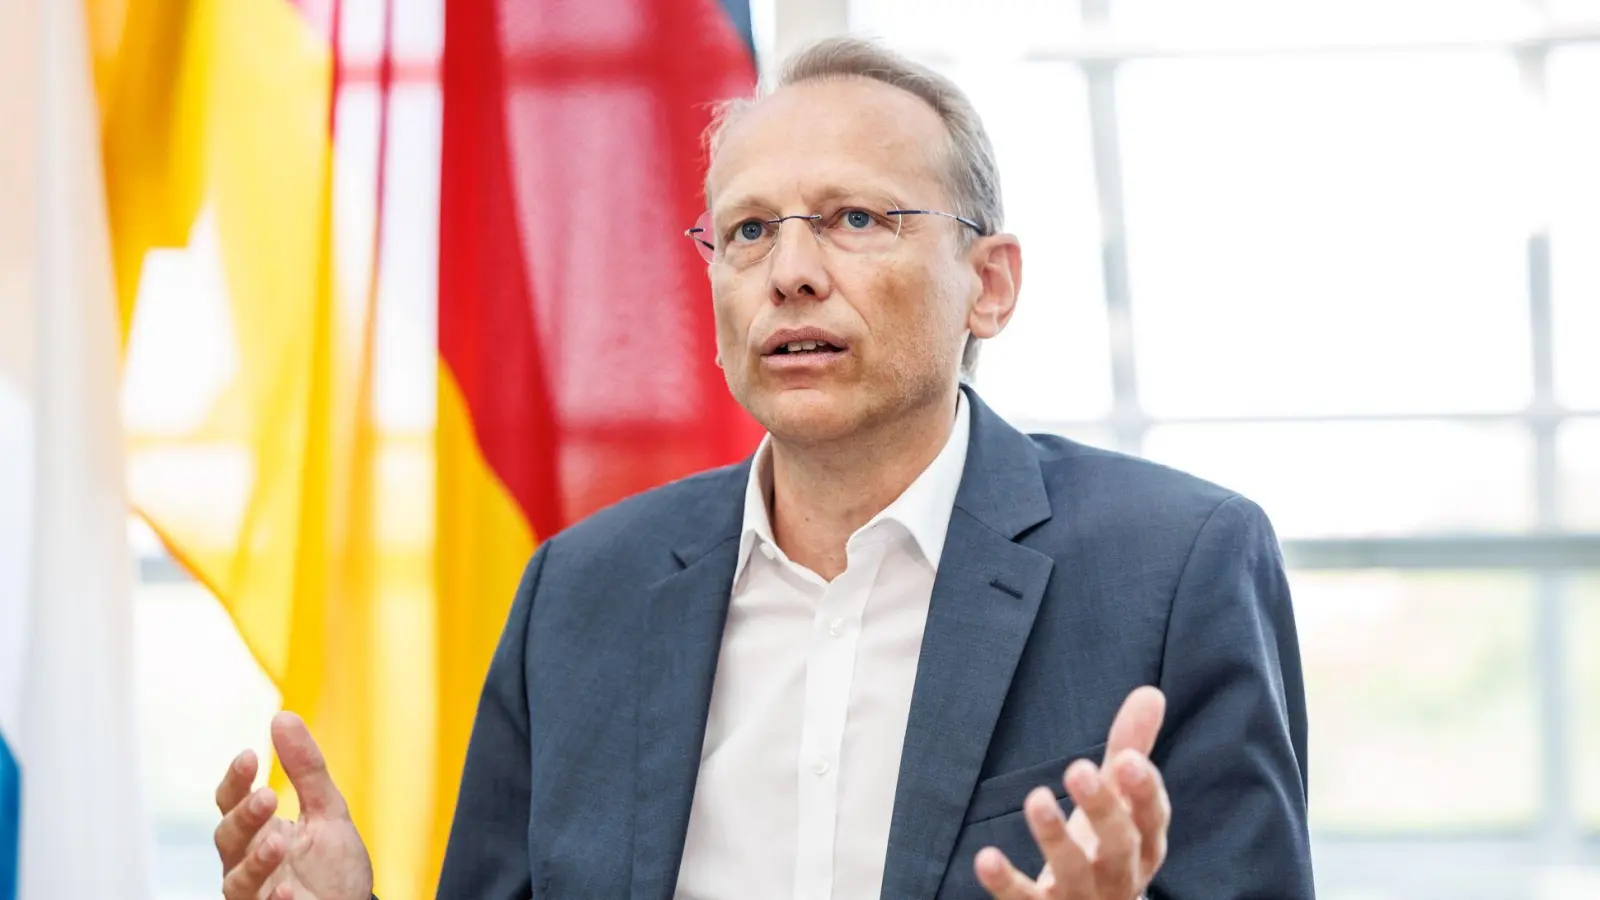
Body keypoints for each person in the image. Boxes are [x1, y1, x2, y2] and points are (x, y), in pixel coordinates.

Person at [211, 36, 1313, 900]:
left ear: (990, 283)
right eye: (745, 232)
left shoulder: (1172, 568)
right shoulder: (579, 592)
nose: (789, 273)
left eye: (852, 219)